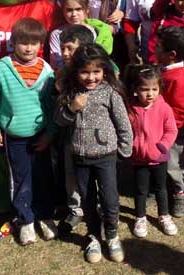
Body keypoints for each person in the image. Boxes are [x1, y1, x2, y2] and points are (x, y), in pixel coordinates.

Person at [0, 18, 57, 246]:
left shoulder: (46, 70)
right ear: (13, 43)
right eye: (23, 42)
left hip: (41, 136)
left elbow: (52, 105)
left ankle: (45, 216)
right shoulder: (1, 69)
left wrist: (50, 133)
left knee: (43, 178)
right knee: (21, 180)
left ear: (40, 45)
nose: (28, 48)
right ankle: (25, 220)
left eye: (34, 43)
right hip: (14, 138)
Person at [56, 44, 133, 264]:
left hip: (106, 156)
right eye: (85, 72)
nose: (91, 77)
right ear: (76, 71)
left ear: (104, 70)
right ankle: (93, 235)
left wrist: (124, 149)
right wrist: (71, 108)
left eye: (96, 72)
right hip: (80, 157)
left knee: (110, 199)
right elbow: (58, 121)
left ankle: (112, 234)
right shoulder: (70, 92)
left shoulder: (110, 92)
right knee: (87, 199)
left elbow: (123, 123)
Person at [123, 64, 178, 238]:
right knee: (140, 190)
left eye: (154, 89)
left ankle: (164, 216)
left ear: (159, 88)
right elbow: (124, 129)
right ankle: (140, 217)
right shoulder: (130, 108)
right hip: (139, 159)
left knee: (161, 188)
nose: (150, 94)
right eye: (144, 89)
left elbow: (171, 130)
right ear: (135, 89)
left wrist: (162, 146)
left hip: (159, 158)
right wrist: (130, 146)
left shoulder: (164, 108)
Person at [54, 25, 96, 233]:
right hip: (70, 135)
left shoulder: (100, 73)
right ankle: (75, 209)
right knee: (70, 173)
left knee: (95, 175)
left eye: (70, 48)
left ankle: (97, 207)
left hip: (96, 137)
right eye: (62, 48)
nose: (64, 53)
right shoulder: (62, 74)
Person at [154, 25, 184, 218]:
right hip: (160, 129)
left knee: (173, 165)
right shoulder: (163, 70)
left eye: (159, 46)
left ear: (171, 54)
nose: (154, 47)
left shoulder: (178, 79)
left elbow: (182, 111)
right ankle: (157, 189)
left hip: (173, 133)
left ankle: (179, 193)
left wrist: (166, 128)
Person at [48, 0, 112, 69]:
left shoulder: (94, 31)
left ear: (87, 9)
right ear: (63, 10)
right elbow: (56, 64)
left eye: (78, 9)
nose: (74, 14)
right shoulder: (57, 34)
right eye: (69, 10)